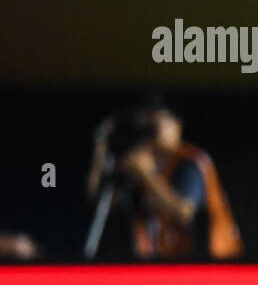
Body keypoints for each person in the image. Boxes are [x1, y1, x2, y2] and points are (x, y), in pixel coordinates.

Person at [87, 99, 243, 260]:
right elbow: (100, 199)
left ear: (177, 124)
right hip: (161, 264)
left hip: (209, 265)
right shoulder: (143, 164)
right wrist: (101, 150)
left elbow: (184, 213)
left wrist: (146, 174)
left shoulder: (190, 160)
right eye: (145, 129)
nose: (149, 135)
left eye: (155, 127)